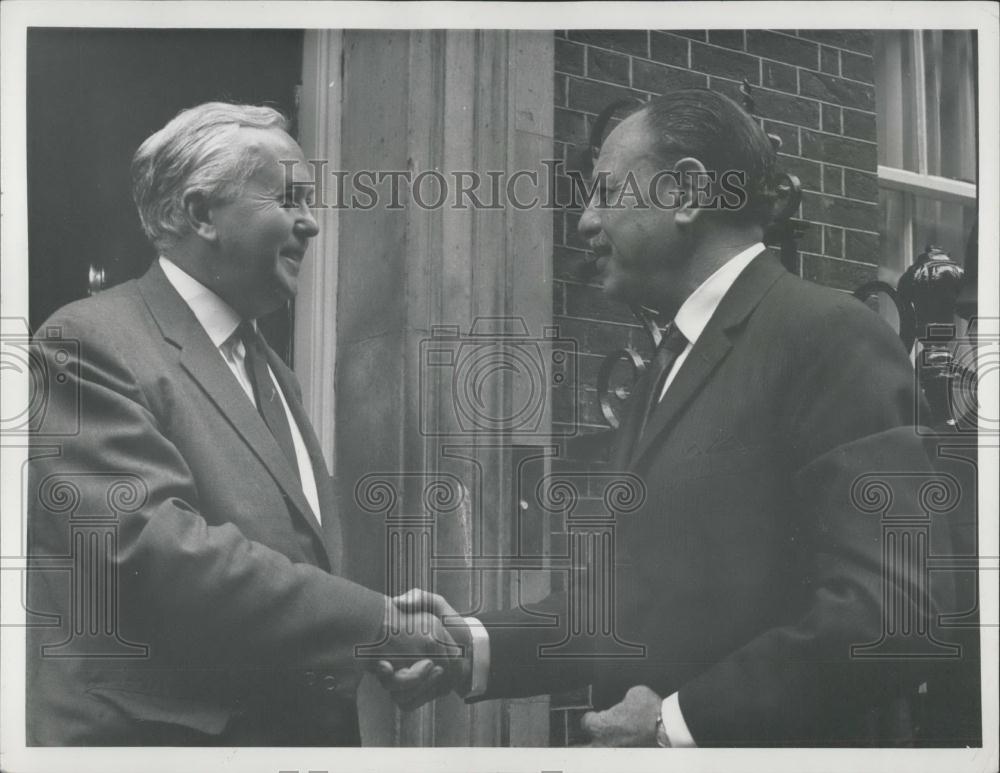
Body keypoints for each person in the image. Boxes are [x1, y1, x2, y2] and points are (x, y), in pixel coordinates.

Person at [383, 88, 956, 747]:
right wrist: (471, 642)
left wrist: (676, 723)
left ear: (685, 193)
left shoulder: (831, 338)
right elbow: (628, 608)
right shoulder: (665, 365)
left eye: (605, 191)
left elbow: (891, 618)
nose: (584, 224)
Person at [25, 102, 458, 746]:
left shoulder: (272, 371)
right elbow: (151, 551)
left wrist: (374, 635)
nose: (312, 223)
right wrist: (375, 623)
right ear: (200, 214)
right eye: (290, 199)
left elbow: (294, 556)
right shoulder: (86, 339)